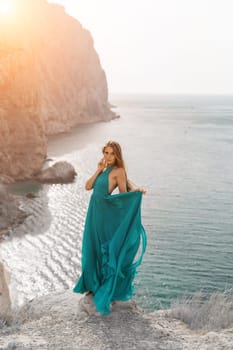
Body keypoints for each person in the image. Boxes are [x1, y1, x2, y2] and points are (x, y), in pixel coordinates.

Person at [73, 140, 147, 315]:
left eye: (112, 153)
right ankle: (92, 285)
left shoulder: (118, 171)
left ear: (117, 155)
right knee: (91, 248)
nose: (108, 156)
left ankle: (101, 285)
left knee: (101, 249)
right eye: (106, 153)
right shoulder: (104, 169)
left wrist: (136, 192)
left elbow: (123, 193)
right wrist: (99, 168)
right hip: (93, 213)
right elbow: (87, 186)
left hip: (104, 214)